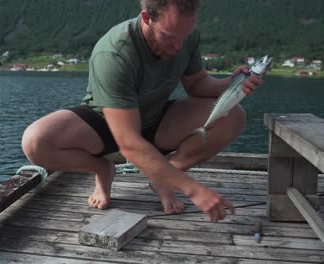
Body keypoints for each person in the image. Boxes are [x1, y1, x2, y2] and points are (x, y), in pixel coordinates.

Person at [21, 0, 264, 222]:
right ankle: (102, 169)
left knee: (233, 115)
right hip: (105, 123)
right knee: (36, 141)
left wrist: (229, 85)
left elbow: (197, 84)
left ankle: (163, 178)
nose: (178, 47)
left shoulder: (184, 36)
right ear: (147, 18)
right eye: (169, 37)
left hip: (156, 119)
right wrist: (193, 189)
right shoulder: (115, 52)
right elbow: (128, 142)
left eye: (185, 36)